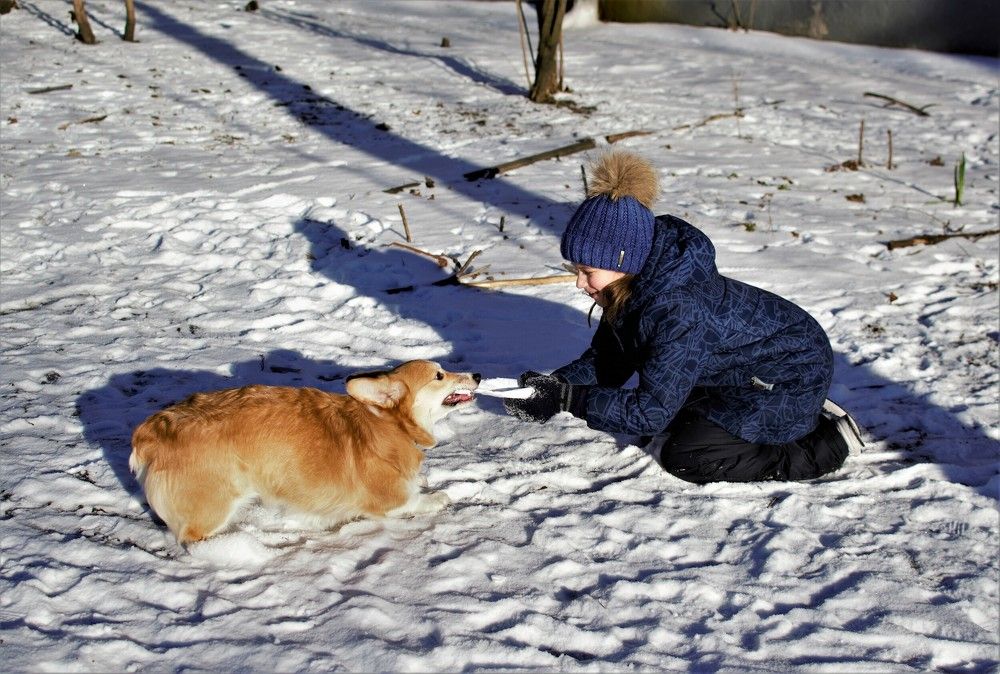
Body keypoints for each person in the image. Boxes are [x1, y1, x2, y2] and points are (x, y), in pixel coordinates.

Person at [504, 151, 864, 483]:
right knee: (672, 421)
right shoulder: (632, 288)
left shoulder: (678, 309)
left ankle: (825, 442)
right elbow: (610, 360)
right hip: (738, 372)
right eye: (576, 270)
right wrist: (554, 385)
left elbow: (650, 412)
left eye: (587, 271)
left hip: (791, 376)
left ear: (622, 261)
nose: (579, 283)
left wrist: (569, 399)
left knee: (689, 456)